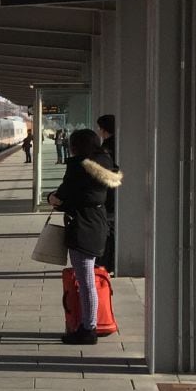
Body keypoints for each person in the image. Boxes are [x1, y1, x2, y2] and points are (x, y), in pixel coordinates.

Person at [48, 129, 122, 345]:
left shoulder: (78, 167)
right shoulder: (106, 164)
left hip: (82, 226)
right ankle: (88, 325)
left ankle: (88, 328)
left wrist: (51, 198)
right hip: (98, 224)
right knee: (88, 278)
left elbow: (63, 196)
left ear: (75, 146)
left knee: (86, 281)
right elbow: (91, 197)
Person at [95, 115, 117, 273]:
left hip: (109, 195)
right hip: (115, 194)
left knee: (108, 231)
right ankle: (110, 262)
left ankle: (107, 263)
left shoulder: (106, 148)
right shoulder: (120, 144)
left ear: (103, 129)